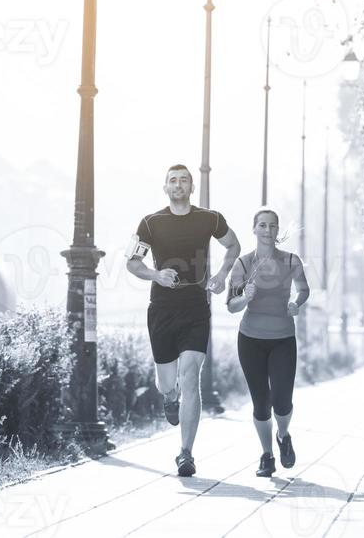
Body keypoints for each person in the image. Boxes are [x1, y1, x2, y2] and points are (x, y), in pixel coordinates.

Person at [126, 164, 241, 477]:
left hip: (195, 307)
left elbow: (234, 245)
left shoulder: (210, 219)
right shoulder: (151, 223)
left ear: (192, 187)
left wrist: (221, 275)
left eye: (184, 180)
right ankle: (168, 396)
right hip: (161, 308)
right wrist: (155, 275)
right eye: (173, 181)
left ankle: (186, 453)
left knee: (190, 376)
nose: (178, 185)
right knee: (168, 381)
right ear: (166, 188)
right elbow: (132, 262)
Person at [227, 208, 309, 477]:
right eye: (262, 225)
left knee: (282, 401)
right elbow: (231, 305)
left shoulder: (290, 261)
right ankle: (267, 456)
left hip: (283, 339)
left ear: (277, 231)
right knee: (261, 403)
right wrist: (245, 297)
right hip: (250, 339)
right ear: (254, 229)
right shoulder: (242, 264)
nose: (267, 230)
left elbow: (303, 289)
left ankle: (283, 435)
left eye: (272, 226)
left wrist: (296, 303)